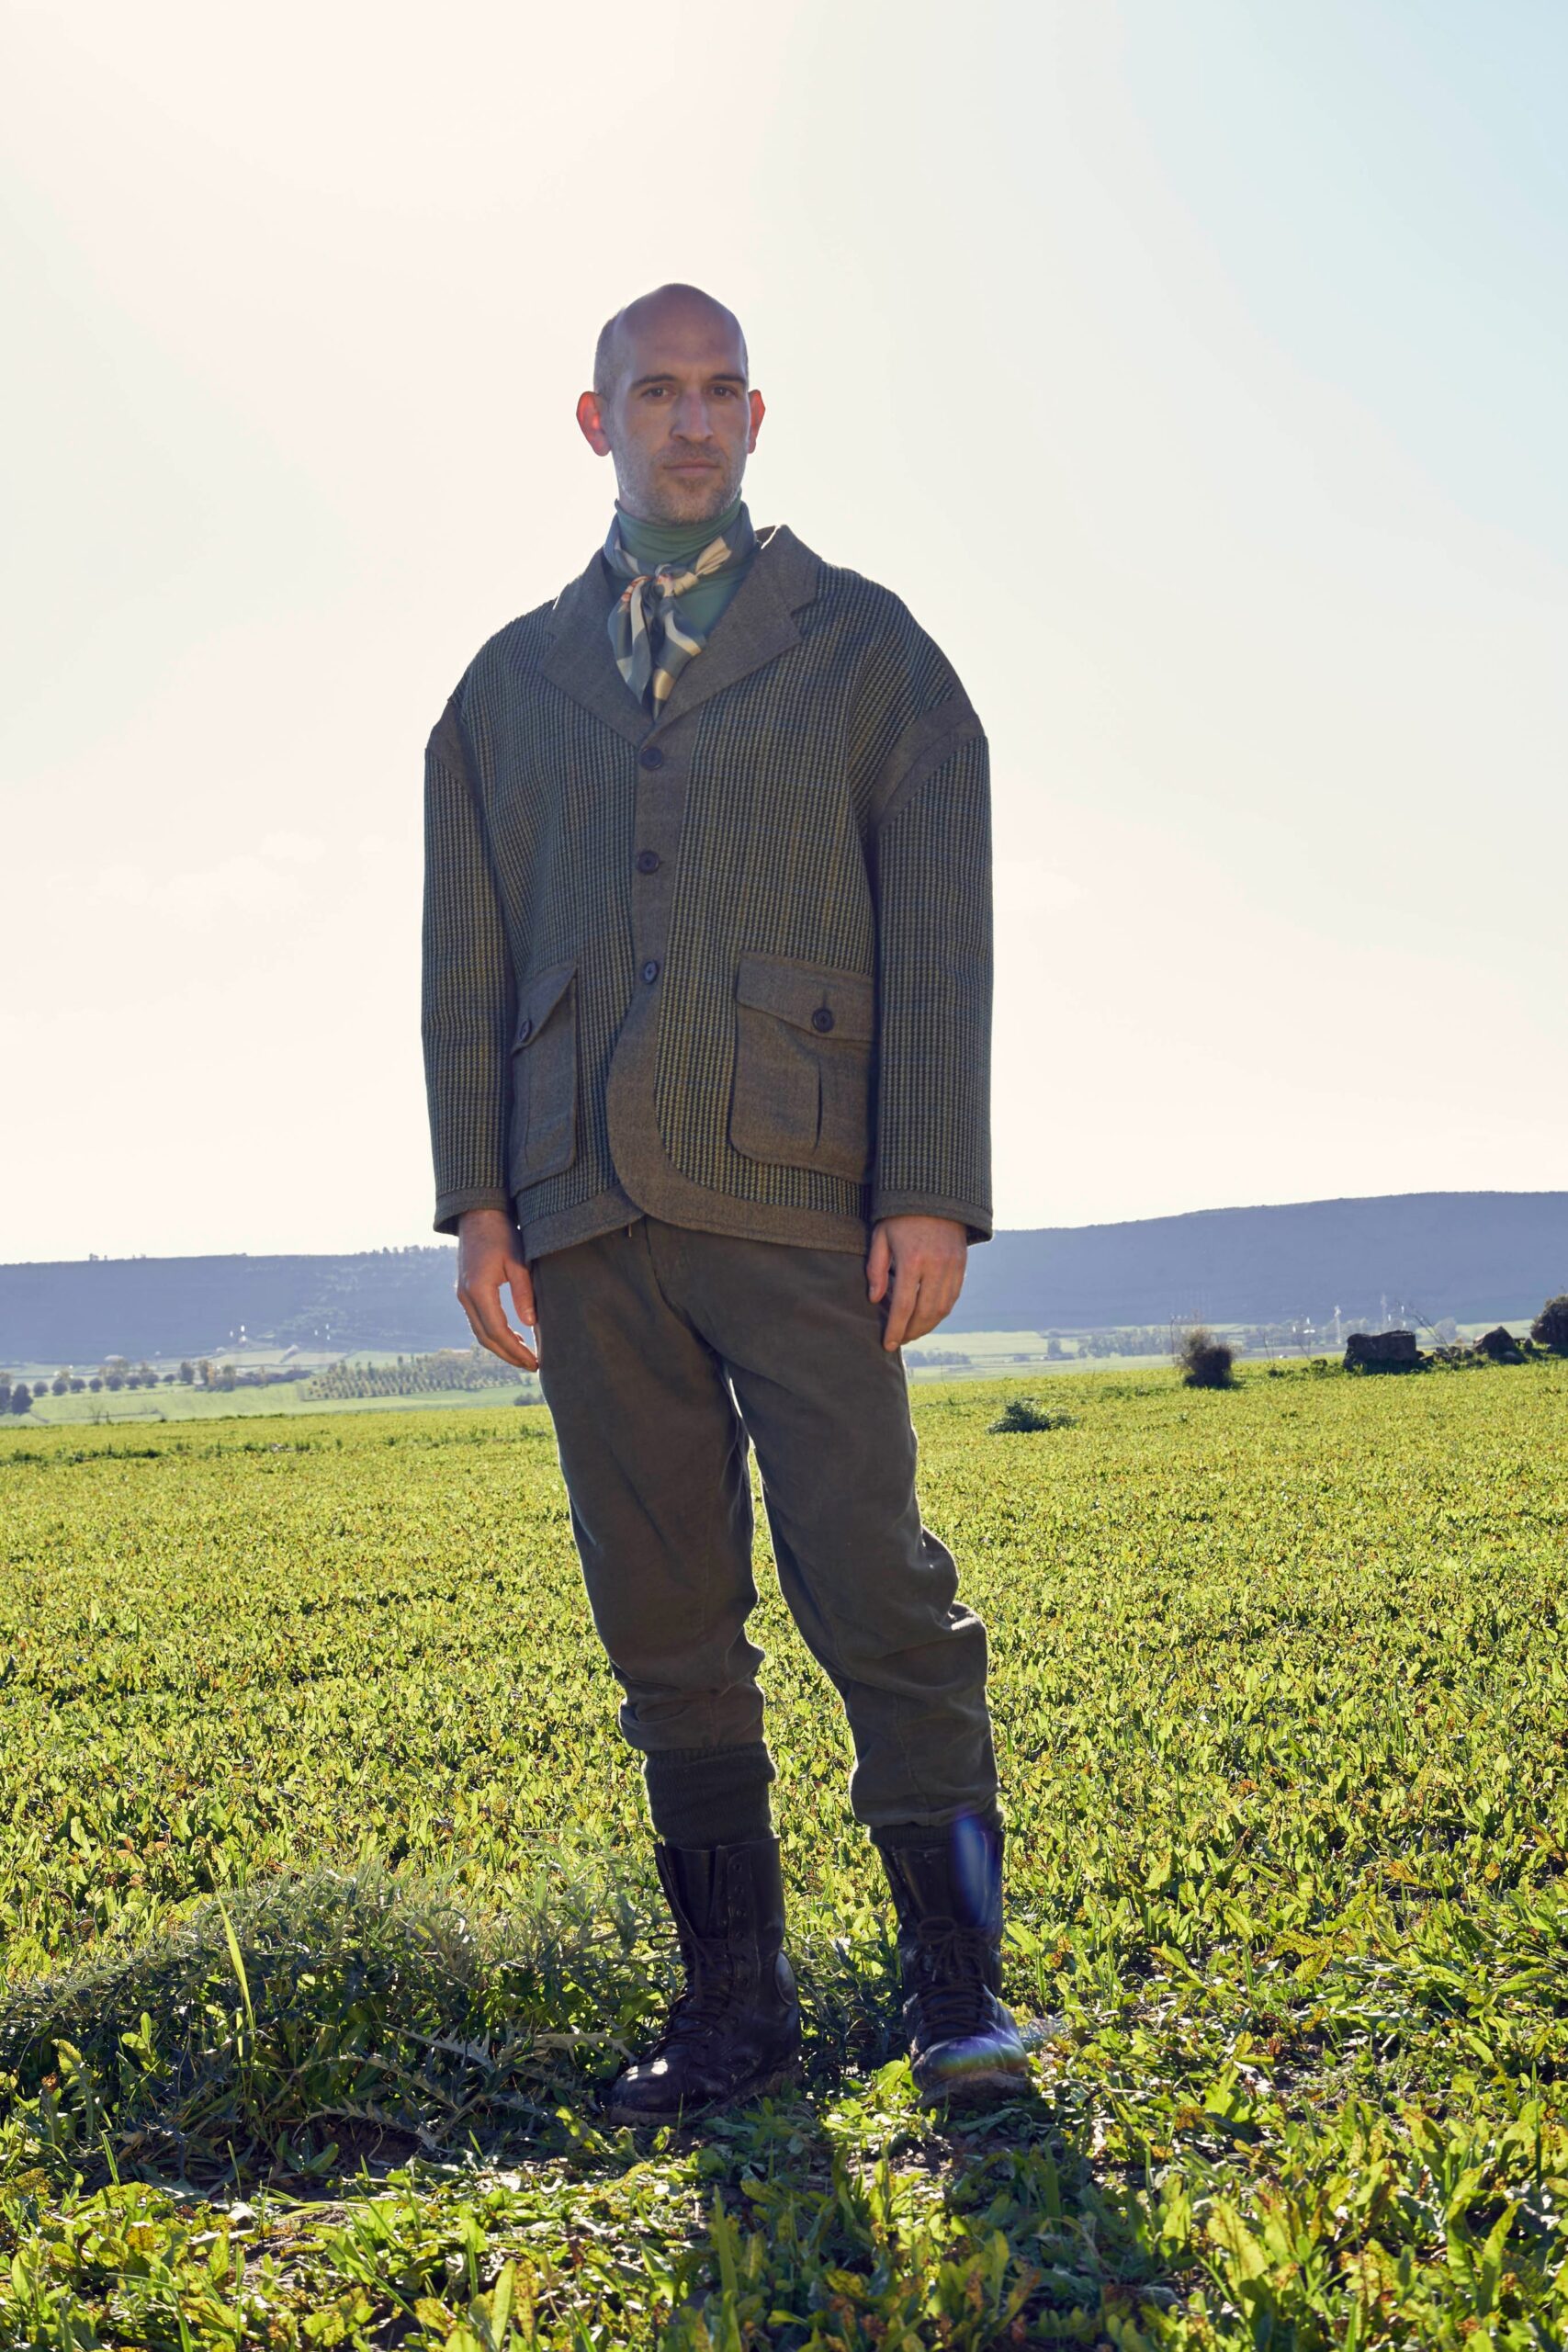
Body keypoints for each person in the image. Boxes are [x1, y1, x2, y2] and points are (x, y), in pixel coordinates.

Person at [421, 282, 1028, 2121]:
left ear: (755, 421)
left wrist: (926, 1185)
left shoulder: (866, 654)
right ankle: (732, 2012)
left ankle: (955, 1998)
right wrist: (478, 1202)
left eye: (716, 392)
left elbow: (935, 924)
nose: (686, 421)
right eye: (649, 391)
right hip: (584, 1208)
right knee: (662, 1620)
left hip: (803, 1195)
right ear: (592, 421)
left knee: (874, 1586)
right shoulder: (502, 687)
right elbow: (467, 960)